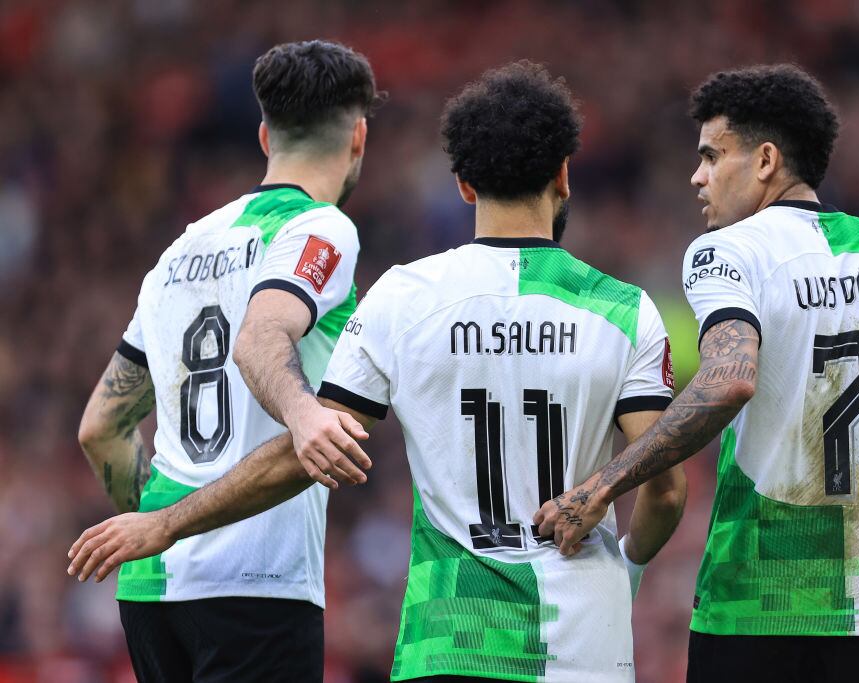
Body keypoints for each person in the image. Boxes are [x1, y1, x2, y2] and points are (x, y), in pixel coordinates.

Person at [69, 61, 687, 683]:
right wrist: (627, 566)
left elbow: (303, 448)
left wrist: (168, 520)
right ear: (564, 175)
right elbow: (664, 487)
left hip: (446, 643)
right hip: (585, 644)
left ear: (464, 186)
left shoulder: (403, 297)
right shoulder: (625, 309)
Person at [534, 64, 859, 683]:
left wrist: (599, 487)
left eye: (711, 156)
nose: (696, 176)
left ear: (764, 160)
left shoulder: (727, 251)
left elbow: (731, 376)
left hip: (751, 607)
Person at [74, 40, 380, 682]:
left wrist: (154, 522)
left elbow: (100, 428)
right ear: (357, 137)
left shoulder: (178, 252)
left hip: (151, 591)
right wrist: (304, 415)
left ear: (266, 137)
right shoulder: (322, 229)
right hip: (256, 585)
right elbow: (259, 339)